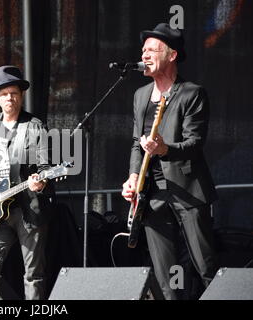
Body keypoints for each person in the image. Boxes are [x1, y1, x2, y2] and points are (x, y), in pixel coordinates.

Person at [121, 23, 219, 300]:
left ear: (172, 55)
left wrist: (164, 149)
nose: (145, 55)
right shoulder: (140, 95)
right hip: (151, 193)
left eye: (152, 50)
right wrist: (131, 177)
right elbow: (135, 143)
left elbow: (194, 144)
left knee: (206, 267)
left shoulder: (191, 93)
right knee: (164, 274)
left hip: (187, 190)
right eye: (143, 51)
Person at [0, 65, 54, 300]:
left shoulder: (34, 126)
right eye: (4, 93)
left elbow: (46, 168)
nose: (9, 98)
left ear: (21, 95)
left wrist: (40, 182)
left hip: (28, 211)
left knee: (33, 275)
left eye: (14, 92)